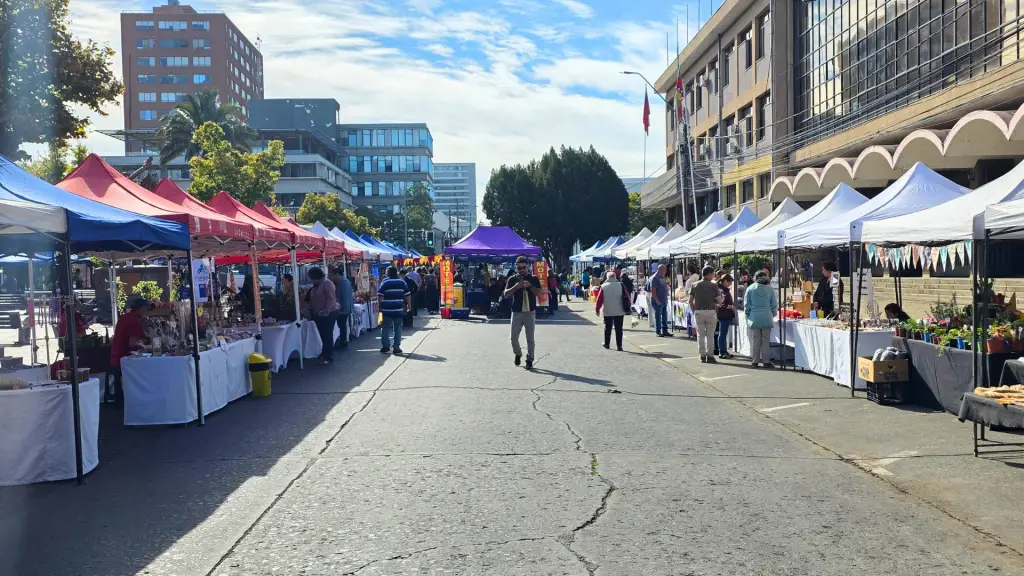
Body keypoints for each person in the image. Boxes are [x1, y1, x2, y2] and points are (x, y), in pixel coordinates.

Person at [110, 296, 150, 406]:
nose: (147, 312)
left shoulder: (125, 317)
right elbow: (133, 343)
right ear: (140, 308)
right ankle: (126, 404)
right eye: (146, 309)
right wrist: (147, 340)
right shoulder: (134, 321)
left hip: (116, 355)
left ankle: (119, 404)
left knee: (118, 383)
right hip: (124, 357)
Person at [504, 256, 542, 369]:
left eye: (523, 267)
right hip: (516, 312)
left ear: (528, 266)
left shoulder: (534, 278)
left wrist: (530, 286)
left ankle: (530, 359)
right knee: (513, 337)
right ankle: (518, 353)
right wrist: (515, 287)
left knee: (530, 338)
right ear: (516, 268)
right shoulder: (512, 279)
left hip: (529, 312)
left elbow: (539, 293)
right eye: (519, 268)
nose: (521, 270)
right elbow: (505, 294)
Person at [689, 265, 724, 363]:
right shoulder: (713, 285)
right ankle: (710, 355)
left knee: (700, 334)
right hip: (710, 311)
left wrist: (694, 310)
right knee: (710, 335)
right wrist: (718, 300)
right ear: (709, 274)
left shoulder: (694, 285)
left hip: (698, 311)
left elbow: (690, 301)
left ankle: (702, 355)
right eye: (713, 274)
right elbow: (719, 301)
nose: (713, 276)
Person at [744, 270, 779, 368]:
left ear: (755, 277)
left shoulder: (750, 288)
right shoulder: (769, 289)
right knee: (766, 340)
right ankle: (766, 361)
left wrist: (747, 314)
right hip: (766, 316)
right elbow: (774, 304)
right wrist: (773, 313)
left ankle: (755, 361)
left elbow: (746, 304)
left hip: (754, 317)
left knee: (755, 340)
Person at [306, 267, 338, 365]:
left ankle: (328, 356)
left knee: (327, 334)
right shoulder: (316, 284)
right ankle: (324, 353)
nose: (310, 279)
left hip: (328, 314)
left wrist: (327, 310)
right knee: (323, 334)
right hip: (318, 314)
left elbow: (331, 298)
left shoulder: (327, 283)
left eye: (311, 277)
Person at [378, 266, 410, 354]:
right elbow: (407, 295)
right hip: (398, 309)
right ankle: (396, 347)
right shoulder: (402, 282)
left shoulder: (384, 281)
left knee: (385, 328)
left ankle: (385, 346)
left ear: (388, 273)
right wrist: (409, 306)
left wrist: (379, 307)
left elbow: (380, 295)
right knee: (398, 328)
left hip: (386, 309)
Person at [595, 271, 628, 351]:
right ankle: (619, 346)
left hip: (608, 310)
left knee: (607, 328)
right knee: (619, 329)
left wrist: (597, 309)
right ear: (615, 277)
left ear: (607, 278)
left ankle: (607, 343)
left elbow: (599, 299)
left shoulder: (603, 286)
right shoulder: (621, 285)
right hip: (619, 310)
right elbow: (627, 296)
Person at [331, 267, 353, 351]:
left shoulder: (343, 283)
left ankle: (343, 343)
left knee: (342, 326)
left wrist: (341, 309)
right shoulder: (344, 281)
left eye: (332, 275)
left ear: (337, 274)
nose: (332, 277)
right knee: (342, 326)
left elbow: (343, 297)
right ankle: (343, 342)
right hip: (344, 308)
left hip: (343, 308)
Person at [716, 274, 736, 360]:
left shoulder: (723, 290)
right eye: (729, 282)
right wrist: (730, 306)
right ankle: (722, 352)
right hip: (724, 314)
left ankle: (724, 351)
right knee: (723, 334)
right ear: (725, 281)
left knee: (723, 333)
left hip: (725, 314)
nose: (730, 284)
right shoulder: (722, 291)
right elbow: (721, 304)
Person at [651, 264, 671, 337]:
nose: (665, 271)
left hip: (664, 300)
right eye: (664, 269)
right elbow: (653, 291)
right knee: (658, 316)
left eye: (665, 269)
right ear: (660, 270)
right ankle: (658, 330)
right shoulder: (655, 278)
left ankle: (665, 330)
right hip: (658, 300)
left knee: (664, 316)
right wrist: (656, 300)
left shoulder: (662, 278)